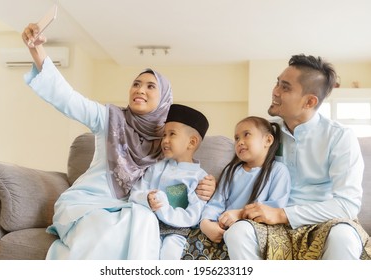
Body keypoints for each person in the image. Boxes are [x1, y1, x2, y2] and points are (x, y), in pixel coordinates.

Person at [21, 23, 216, 259]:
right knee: (110, 227)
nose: (140, 90)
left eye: (150, 86)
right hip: (87, 203)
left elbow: (182, 175)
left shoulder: (165, 143)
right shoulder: (109, 119)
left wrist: (208, 185)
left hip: (129, 209)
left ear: (164, 99)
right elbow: (68, 99)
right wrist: (37, 51)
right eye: (136, 84)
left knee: (144, 221)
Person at [224, 54, 371, 260]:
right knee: (239, 233)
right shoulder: (265, 134)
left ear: (309, 101)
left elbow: (347, 204)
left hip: (324, 222)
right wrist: (213, 186)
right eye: (277, 83)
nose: (275, 91)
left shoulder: (339, 137)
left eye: (285, 87)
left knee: (344, 237)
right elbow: (240, 172)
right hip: (270, 223)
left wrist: (283, 214)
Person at [129, 104, 210, 259]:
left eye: (172, 134)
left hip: (177, 232)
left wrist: (163, 208)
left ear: (191, 142)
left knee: (170, 255)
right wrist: (146, 198)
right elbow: (135, 192)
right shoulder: (156, 168)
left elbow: (193, 215)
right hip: (150, 226)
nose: (165, 140)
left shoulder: (200, 178)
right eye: (164, 135)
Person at [199, 116, 291, 248]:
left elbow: (275, 208)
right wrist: (206, 223)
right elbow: (216, 203)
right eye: (236, 138)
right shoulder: (231, 171)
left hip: (253, 231)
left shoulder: (278, 171)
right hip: (225, 229)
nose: (240, 142)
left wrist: (241, 215)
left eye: (246, 135)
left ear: (268, 140)